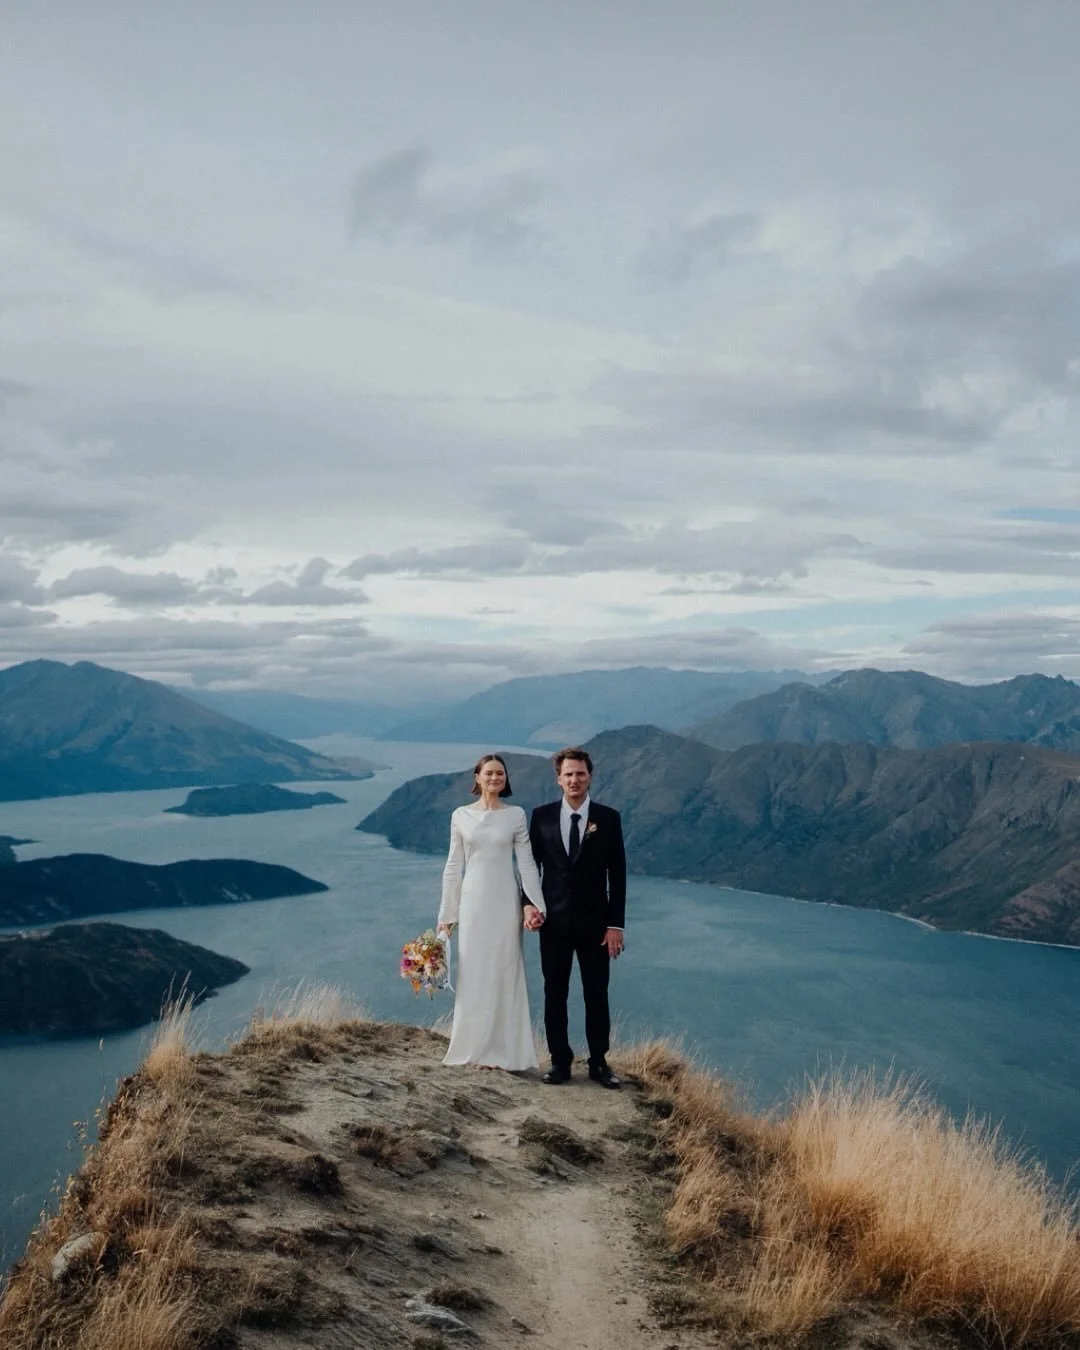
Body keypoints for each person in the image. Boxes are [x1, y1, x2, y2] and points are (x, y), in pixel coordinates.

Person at [436, 753, 546, 1069]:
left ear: (505, 779)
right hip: (472, 902)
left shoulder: (515, 815)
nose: (495, 778)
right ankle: (474, 1047)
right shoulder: (460, 815)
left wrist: (536, 906)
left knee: (505, 969)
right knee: (473, 970)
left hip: (504, 901)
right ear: (477, 777)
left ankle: (503, 1051)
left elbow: (526, 862)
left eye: (500, 773)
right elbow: (453, 866)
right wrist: (447, 917)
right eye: (489, 773)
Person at [527, 747, 626, 1088]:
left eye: (580, 773)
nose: (574, 780)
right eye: (568, 774)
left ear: (590, 777)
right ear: (559, 779)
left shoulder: (609, 818)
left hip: (596, 925)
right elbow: (530, 868)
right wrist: (528, 904)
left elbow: (619, 874)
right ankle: (559, 1061)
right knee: (554, 992)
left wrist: (615, 925)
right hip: (552, 923)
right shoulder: (540, 817)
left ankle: (599, 1062)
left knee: (596, 994)